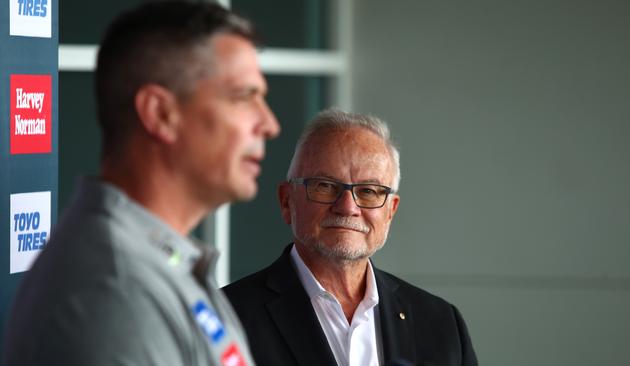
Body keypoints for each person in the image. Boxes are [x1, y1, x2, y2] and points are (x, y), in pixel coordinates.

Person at [3, 1, 279, 365]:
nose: (269, 124)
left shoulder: (154, 262)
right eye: (243, 97)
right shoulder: (113, 292)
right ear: (160, 113)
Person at [224, 109, 478, 366]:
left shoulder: (441, 324)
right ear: (287, 200)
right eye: (324, 186)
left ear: (391, 210)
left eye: (369, 191)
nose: (347, 207)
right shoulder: (227, 317)